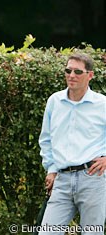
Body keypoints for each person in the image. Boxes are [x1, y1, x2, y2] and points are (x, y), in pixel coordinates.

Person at [38, 53, 106, 234]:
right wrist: (51, 169)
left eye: (77, 71)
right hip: (62, 180)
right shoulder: (54, 101)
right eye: (68, 70)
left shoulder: (102, 104)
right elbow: (46, 139)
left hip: (93, 178)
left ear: (90, 75)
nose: (71, 75)